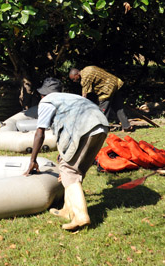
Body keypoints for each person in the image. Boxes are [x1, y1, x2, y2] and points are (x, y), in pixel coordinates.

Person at [24, 77, 109, 231]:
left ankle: (81, 216)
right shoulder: (69, 98)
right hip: (102, 125)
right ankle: (66, 210)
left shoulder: (47, 102)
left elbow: (39, 133)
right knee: (75, 168)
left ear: (44, 94)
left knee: (69, 170)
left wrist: (33, 160)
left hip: (85, 128)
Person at [69, 66, 133, 132]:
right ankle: (126, 126)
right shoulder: (87, 68)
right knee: (118, 107)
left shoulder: (85, 78)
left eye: (74, 79)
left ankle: (101, 129)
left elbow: (84, 95)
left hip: (106, 89)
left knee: (102, 111)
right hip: (114, 83)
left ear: (77, 74)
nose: (74, 81)